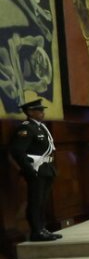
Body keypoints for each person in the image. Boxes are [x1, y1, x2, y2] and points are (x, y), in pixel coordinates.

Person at [9, 99, 60, 241]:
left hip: (46, 169)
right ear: (30, 112)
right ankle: (36, 231)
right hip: (36, 170)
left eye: (42, 110)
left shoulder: (40, 127)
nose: (42, 113)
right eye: (39, 110)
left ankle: (42, 228)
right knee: (35, 201)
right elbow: (18, 151)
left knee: (43, 201)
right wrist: (28, 170)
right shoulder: (26, 128)